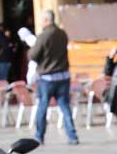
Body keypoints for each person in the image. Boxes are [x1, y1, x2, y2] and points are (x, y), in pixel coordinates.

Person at [28, 9, 79, 146]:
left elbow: (33, 55)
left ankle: (39, 136)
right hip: (63, 75)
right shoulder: (62, 34)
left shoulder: (43, 36)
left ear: (46, 20)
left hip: (48, 77)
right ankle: (72, 136)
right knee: (64, 106)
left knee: (42, 106)